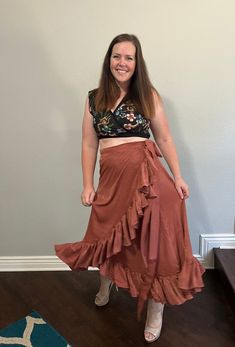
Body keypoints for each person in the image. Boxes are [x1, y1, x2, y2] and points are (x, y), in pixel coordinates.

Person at [55, 33, 205, 343]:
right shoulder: (94, 98)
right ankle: (107, 280)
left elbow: (163, 139)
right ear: (108, 60)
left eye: (129, 57)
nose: (122, 62)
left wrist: (177, 176)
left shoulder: (148, 94)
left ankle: (156, 307)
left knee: (156, 241)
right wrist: (87, 183)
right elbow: (88, 142)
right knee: (109, 235)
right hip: (112, 179)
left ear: (137, 64)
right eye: (116, 56)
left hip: (150, 179)